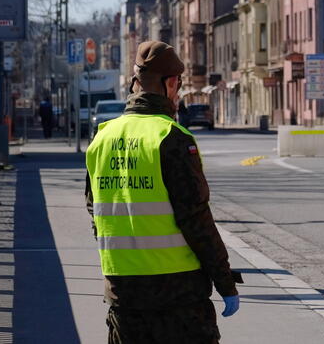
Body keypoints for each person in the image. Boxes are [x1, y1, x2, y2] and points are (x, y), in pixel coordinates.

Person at [85, 40, 240, 343]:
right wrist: (225, 282)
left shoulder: (102, 138)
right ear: (170, 83)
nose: (179, 92)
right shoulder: (171, 137)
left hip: (123, 295)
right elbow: (196, 219)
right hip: (178, 297)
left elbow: (96, 214)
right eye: (178, 85)